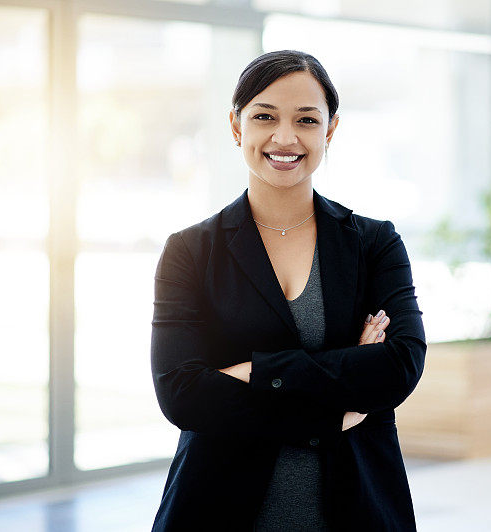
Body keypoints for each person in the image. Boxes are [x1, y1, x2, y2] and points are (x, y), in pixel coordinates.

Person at [150, 49, 427, 531]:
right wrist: (335, 405)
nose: (285, 137)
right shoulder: (190, 251)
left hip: (357, 508)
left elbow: (400, 365)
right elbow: (182, 394)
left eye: (306, 119)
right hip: (217, 511)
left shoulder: (374, 244)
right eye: (264, 116)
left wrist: (254, 371)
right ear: (237, 127)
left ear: (330, 130)